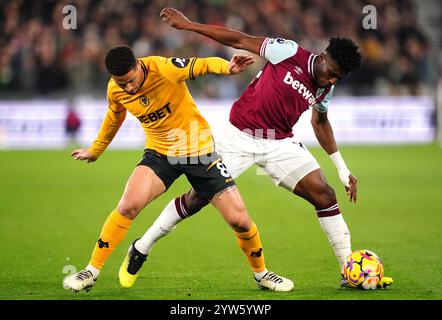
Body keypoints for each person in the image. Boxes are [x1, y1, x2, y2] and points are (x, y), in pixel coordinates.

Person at [123, 7, 393, 289]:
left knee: (325, 195)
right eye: (333, 73)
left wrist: (342, 167)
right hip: (237, 137)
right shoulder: (289, 51)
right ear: (323, 57)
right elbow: (238, 39)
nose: (333, 80)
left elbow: (320, 122)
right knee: (195, 200)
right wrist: (190, 26)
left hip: (279, 144)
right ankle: (141, 246)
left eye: (340, 78)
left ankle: (348, 271)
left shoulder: (325, 87)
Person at [63, 45, 294, 293]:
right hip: (160, 153)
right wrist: (96, 150)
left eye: (130, 81)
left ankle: (262, 275)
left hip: (198, 152)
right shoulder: (115, 89)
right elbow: (114, 117)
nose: (128, 88)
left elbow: (201, 64)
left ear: (138, 66)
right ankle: (91, 271)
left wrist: (226, 67)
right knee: (128, 205)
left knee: (240, 221)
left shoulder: (163, 68)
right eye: (122, 84)